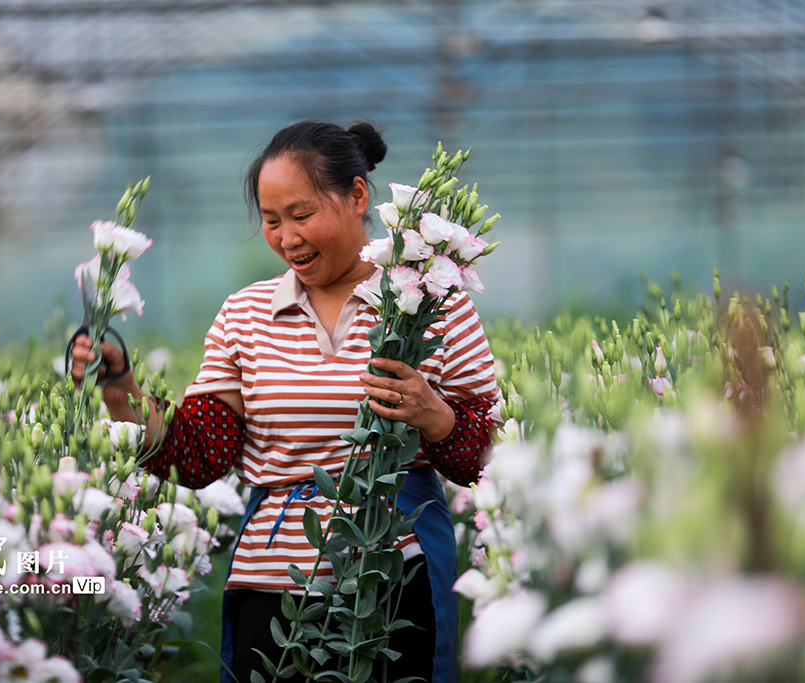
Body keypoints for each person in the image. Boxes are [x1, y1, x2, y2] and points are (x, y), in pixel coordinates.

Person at [70, 120, 500, 683]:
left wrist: (435, 416)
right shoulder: (244, 315)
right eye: (271, 221)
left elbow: (481, 452)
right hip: (272, 592)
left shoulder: (431, 305)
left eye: (301, 216)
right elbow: (199, 454)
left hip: (393, 584)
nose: (286, 237)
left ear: (357, 196)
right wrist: (119, 388)